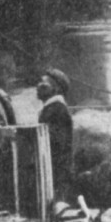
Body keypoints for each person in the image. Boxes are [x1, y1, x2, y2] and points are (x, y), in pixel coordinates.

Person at [37, 68, 74, 200]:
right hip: (54, 171)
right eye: (39, 83)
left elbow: (57, 144)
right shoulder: (51, 108)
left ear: (56, 89)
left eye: (44, 85)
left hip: (56, 173)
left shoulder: (57, 109)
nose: (38, 86)